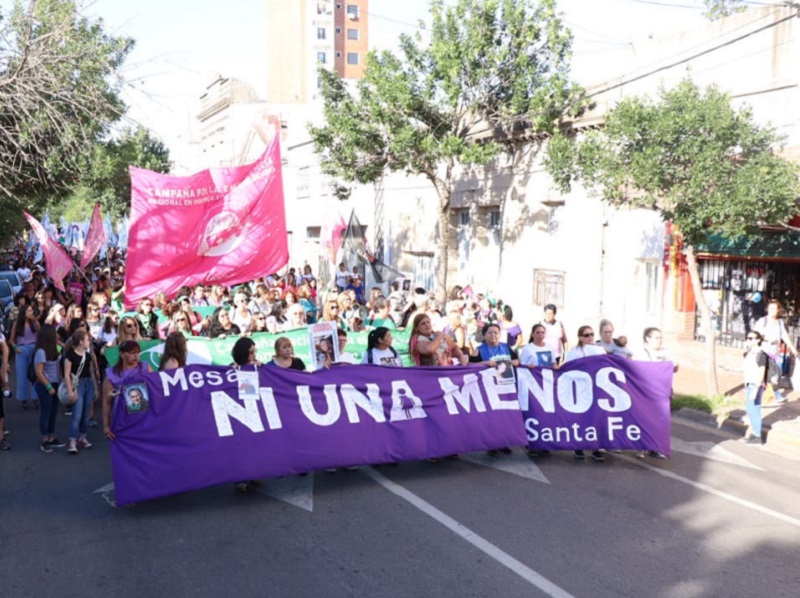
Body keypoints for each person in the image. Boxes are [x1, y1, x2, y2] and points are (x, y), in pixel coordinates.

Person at [564, 325, 606, 462]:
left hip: (596, 388)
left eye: (592, 334)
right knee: (581, 418)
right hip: (580, 390)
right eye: (587, 335)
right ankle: (579, 446)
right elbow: (567, 370)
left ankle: (597, 447)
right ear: (581, 337)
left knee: (597, 418)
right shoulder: (574, 351)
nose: (590, 337)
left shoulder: (600, 350)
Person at [633, 327, 676, 459]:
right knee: (644, 420)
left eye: (660, 337)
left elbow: (674, 366)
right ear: (647, 338)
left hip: (662, 392)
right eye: (656, 338)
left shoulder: (666, 352)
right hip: (645, 392)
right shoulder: (641, 353)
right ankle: (641, 446)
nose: (659, 340)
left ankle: (654, 447)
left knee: (659, 421)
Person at [102, 340, 153, 442]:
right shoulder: (112, 374)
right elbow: (107, 402)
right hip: (122, 420)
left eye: (137, 352)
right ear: (122, 354)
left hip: (144, 419)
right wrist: (106, 426)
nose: (135, 355)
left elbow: (156, 388)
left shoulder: (145, 367)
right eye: (131, 353)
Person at [62, 329, 99, 455]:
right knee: (77, 414)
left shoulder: (88, 356)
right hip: (78, 385)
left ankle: (82, 437)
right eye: (87, 339)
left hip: (88, 383)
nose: (89, 341)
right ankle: (72, 440)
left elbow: (91, 372)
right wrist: (70, 390)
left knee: (86, 414)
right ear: (81, 342)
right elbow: (67, 374)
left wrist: (95, 387)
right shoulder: (70, 356)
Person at [754, 299, 797, 404]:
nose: (772, 310)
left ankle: (761, 394)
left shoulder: (779, 323)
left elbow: (785, 336)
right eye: (770, 308)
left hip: (774, 354)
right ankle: (774, 394)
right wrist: (766, 339)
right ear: (767, 309)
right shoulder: (762, 321)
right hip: (763, 353)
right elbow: (755, 336)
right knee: (770, 375)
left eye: (774, 308)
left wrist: (792, 348)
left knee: (772, 375)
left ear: (778, 310)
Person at [32, 325, 65, 453]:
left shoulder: (54, 348)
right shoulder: (41, 351)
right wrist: (48, 386)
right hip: (45, 386)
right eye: (54, 333)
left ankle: (52, 437)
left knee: (53, 412)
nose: (57, 335)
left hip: (55, 384)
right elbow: (39, 372)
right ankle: (44, 439)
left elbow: (65, 348)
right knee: (46, 413)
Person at [742, 331, 771, 445]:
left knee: (754, 410)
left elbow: (761, 373)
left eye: (751, 338)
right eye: (747, 338)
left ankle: (757, 435)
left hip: (755, 385)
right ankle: (754, 433)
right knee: (750, 409)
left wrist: (756, 388)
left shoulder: (761, 355)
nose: (749, 340)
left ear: (758, 340)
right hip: (749, 383)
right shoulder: (748, 352)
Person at [9, 303, 40, 410]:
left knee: (34, 374)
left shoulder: (35, 322)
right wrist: (15, 347)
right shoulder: (17, 324)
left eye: (32, 311)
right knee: (22, 375)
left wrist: (35, 320)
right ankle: (24, 399)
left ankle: (35, 397)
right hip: (22, 349)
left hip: (33, 349)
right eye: (29, 311)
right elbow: (11, 340)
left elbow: (40, 335)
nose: (31, 313)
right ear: (24, 312)